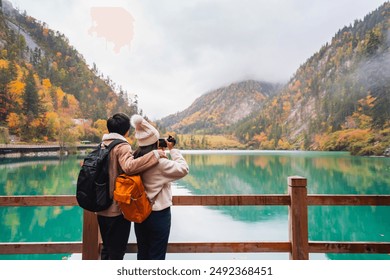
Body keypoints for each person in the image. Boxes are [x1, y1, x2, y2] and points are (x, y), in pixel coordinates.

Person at [97, 113, 166, 260]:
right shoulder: (122, 146)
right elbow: (129, 167)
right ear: (126, 130)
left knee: (107, 250)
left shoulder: (102, 145)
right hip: (116, 207)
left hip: (101, 207)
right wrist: (155, 155)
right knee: (116, 253)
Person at [131, 114, 189, 260]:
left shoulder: (134, 159)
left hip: (140, 212)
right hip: (158, 214)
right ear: (154, 142)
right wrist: (173, 150)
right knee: (157, 255)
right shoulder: (160, 163)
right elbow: (183, 169)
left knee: (143, 253)